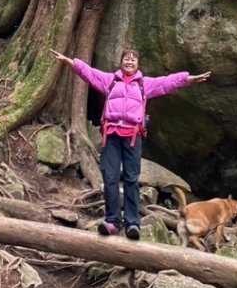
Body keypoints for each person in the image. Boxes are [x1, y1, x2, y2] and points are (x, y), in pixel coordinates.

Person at [52, 47, 210, 239]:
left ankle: (133, 223)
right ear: (121, 62)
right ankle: (112, 222)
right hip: (111, 135)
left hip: (132, 137)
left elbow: (167, 83)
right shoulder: (110, 81)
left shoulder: (145, 85)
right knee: (110, 178)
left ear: (138, 64)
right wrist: (71, 62)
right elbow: (89, 73)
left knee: (131, 179)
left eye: (133, 60)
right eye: (126, 59)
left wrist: (187, 79)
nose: (129, 62)